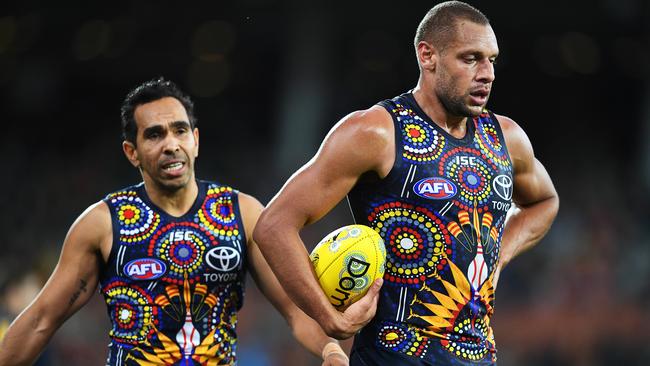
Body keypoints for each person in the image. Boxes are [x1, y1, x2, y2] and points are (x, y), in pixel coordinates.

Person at [253, 1, 560, 365]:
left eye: (491, 59)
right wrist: (330, 320)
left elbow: (545, 201)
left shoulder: (506, 138)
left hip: (479, 356)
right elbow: (273, 226)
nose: (488, 73)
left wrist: (499, 255)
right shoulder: (376, 132)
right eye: (471, 58)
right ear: (427, 56)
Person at [0, 78, 349, 366]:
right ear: (131, 151)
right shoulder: (103, 224)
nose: (170, 144)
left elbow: (295, 309)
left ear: (195, 141)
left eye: (180, 131)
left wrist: (330, 349)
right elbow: (40, 322)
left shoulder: (243, 214)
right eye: (154, 135)